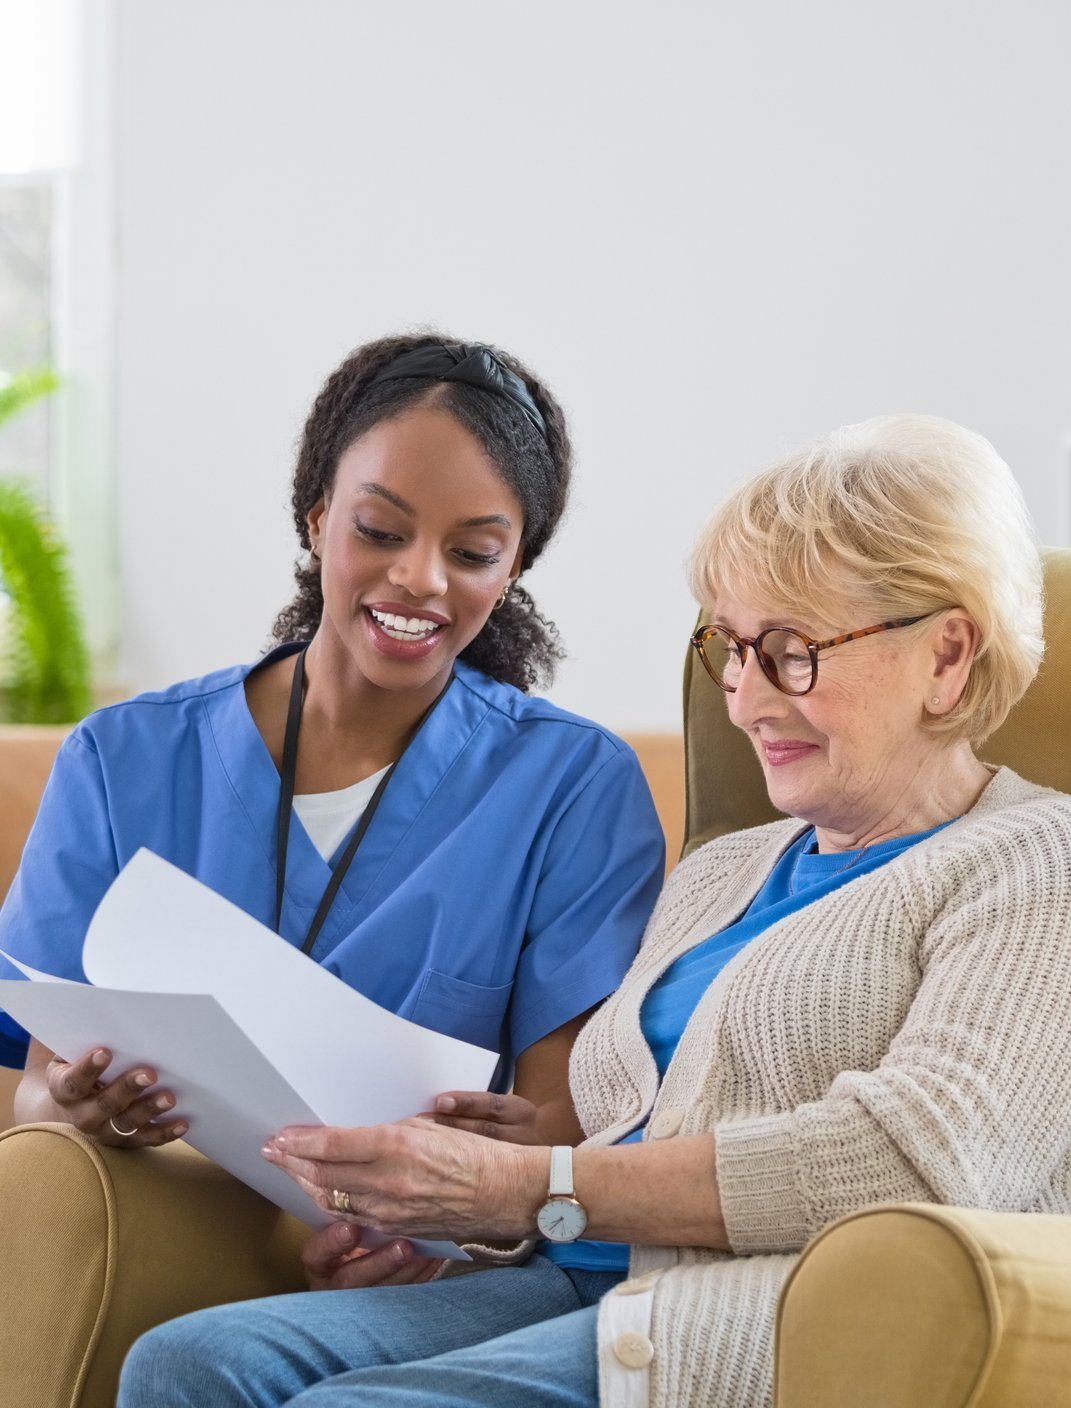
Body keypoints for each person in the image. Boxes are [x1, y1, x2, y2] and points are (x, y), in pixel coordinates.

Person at [118, 413, 1071, 1408]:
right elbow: (630, 1149)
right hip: (592, 1281)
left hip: (792, 1309)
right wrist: (451, 1213)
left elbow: (915, 1159)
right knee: (191, 1363)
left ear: (946, 653)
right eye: (734, 648)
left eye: (793, 650)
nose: (750, 699)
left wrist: (523, 1182)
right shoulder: (727, 871)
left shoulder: (1053, 860)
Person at [0, 332, 664, 1155]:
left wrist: (486, 1183)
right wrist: (72, 1107)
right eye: (381, 531)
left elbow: (563, 1121)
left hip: (409, 1255)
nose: (422, 577)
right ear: (318, 520)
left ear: (514, 565)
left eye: (473, 553)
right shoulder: (118, 761)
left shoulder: (574, 791)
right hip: (161, 1218)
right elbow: (32, 1093)